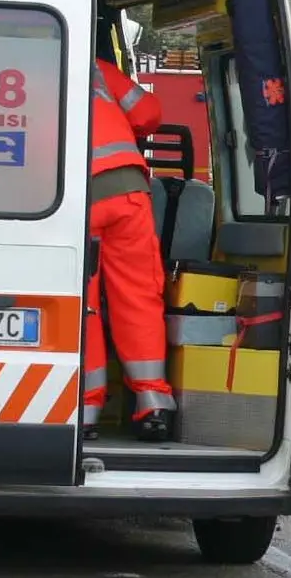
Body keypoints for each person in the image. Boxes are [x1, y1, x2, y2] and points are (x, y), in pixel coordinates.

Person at [83, 58, 176, 442]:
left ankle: (85, 408)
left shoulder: (13, 67)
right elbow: (148, 112)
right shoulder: (99, 68)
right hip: (126, 190)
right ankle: (153, 401)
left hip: (71, 198)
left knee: (81, 304)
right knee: (137, 296)